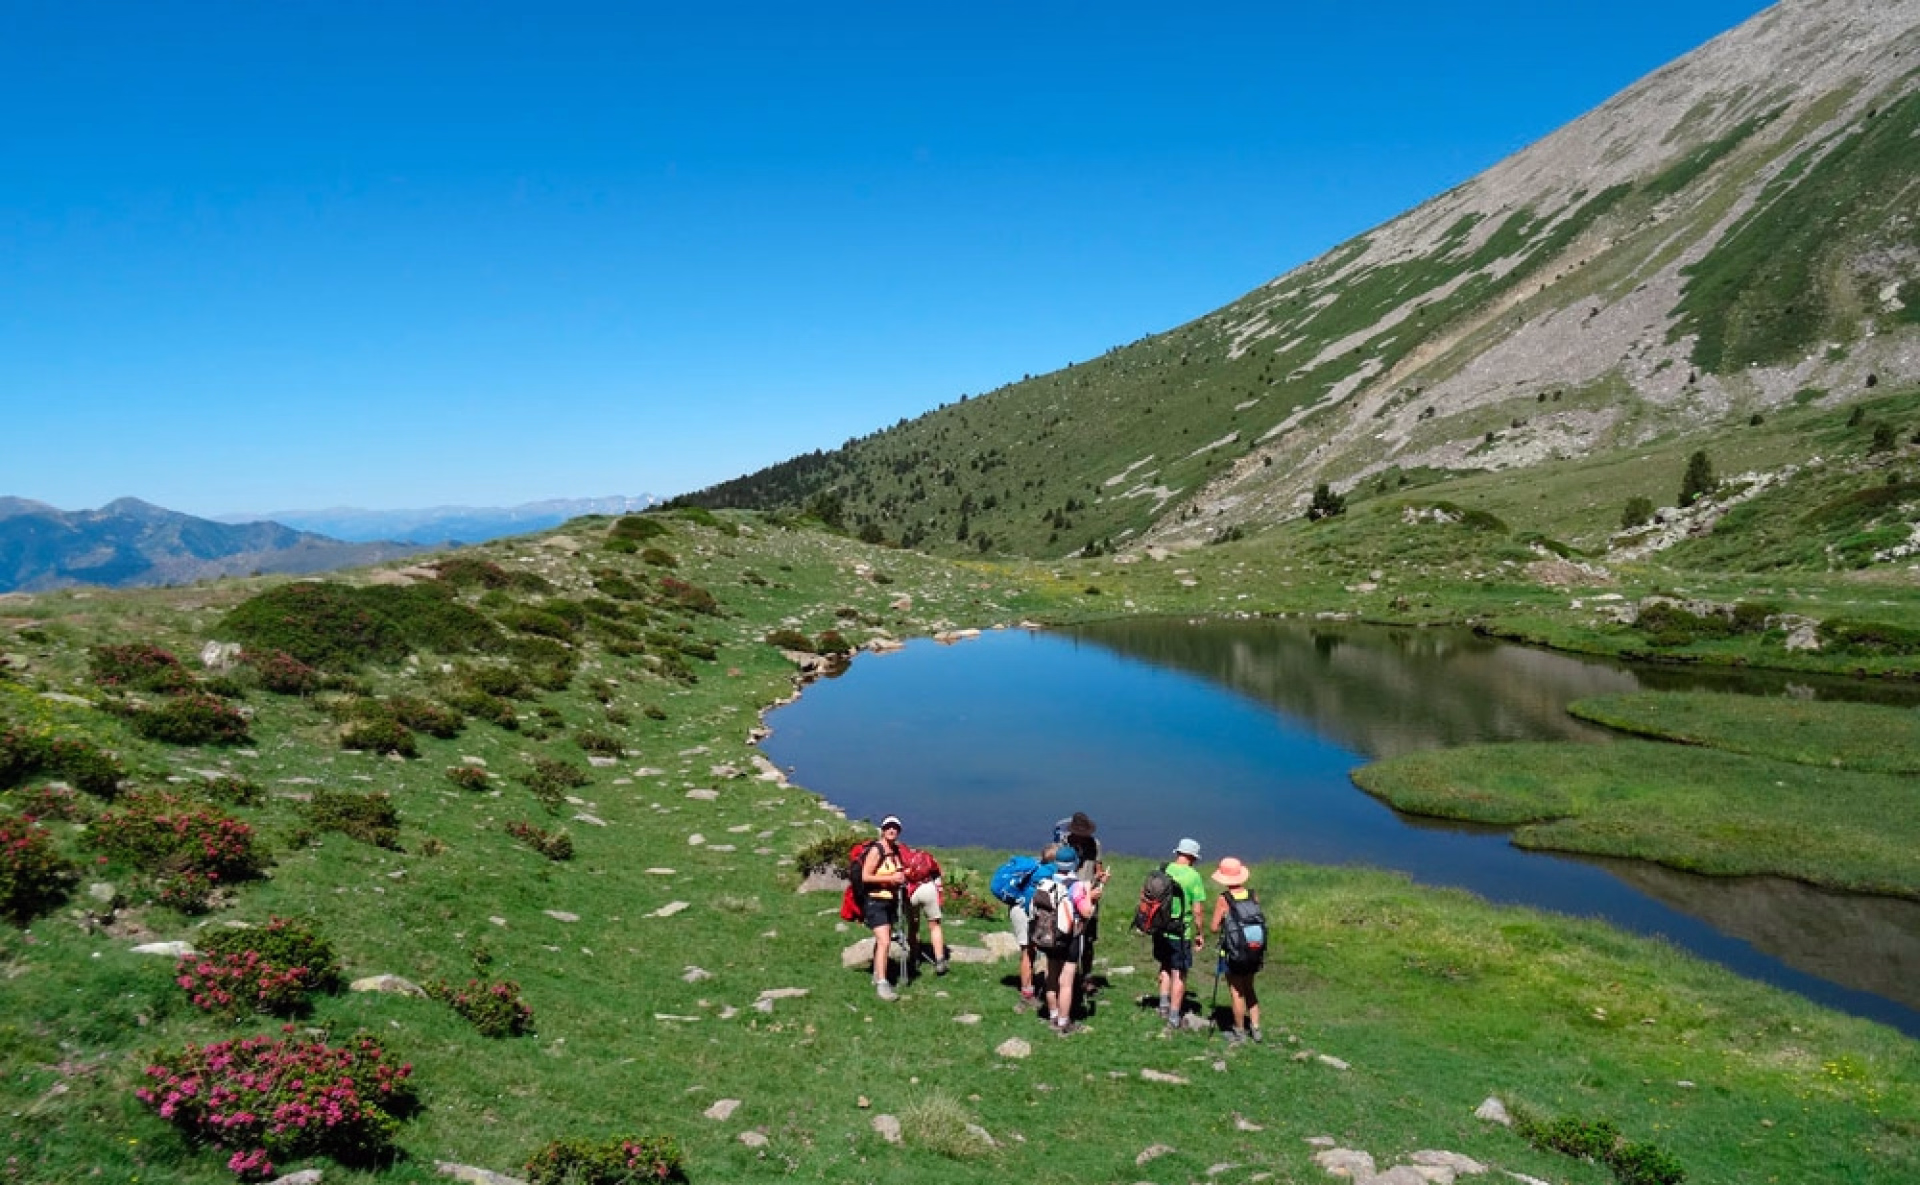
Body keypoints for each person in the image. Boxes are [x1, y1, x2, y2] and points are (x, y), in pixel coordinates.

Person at [1038, 845, 1100, 1035]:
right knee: (1066, 981)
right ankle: (1064, 1022)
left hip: (1049, 936)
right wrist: (1091, 896)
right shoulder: (1077, 885)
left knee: (1051, 977)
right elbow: (1087, 912)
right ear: (1074, 864)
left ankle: (1053, 1015)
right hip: (1070, 937)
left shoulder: (1046, 882)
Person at [1208, 856, 1265, 1044]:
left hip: (1234, 953)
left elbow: (1214, 927)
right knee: (1250, 989)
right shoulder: (1253, 895)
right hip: (1254, 951)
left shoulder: (1224, 899)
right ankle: (1256, 1028)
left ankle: (1239, 1031)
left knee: (1236, 992)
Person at [1156, 837, 1208, 1032]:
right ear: (1193, 857)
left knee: (1164, 965)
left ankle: (1162, 1005)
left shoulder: (1163, 869)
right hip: (1180, 931)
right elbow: (1197, 910)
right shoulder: (1193, 876)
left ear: (1177, 853)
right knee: (1180, 973)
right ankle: (1174, 1017)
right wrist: (1200, 933)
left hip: (1161, 929)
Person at [860, 815, 908, 1001]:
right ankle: (882, 983)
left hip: (890, 902)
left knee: (884, 939)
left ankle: (876, 973)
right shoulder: (876, 850)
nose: (892, 830)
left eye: (895, 828)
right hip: (875, 901)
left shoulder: (895, 850)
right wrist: (890, 879)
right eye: (888, 827)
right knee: (884, 941)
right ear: (882, 829)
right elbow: (866, 876)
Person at [1009, 843, 1058, 1011]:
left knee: (1026, 950)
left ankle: (1028, 990)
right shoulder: (1052, 873)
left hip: (1017, 909)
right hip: (1029, 913)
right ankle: (1031, 993)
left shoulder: (1034, 867)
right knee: (1033, 952)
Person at [900, 842, 949, 976]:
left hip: (910, 892)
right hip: (928, 889)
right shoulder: (925, 857)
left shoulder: (900, 857)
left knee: (913, 926)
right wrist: (939, 892)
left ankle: (914, 958)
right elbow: (937, 874)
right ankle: (939, 960)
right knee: (934, 925)